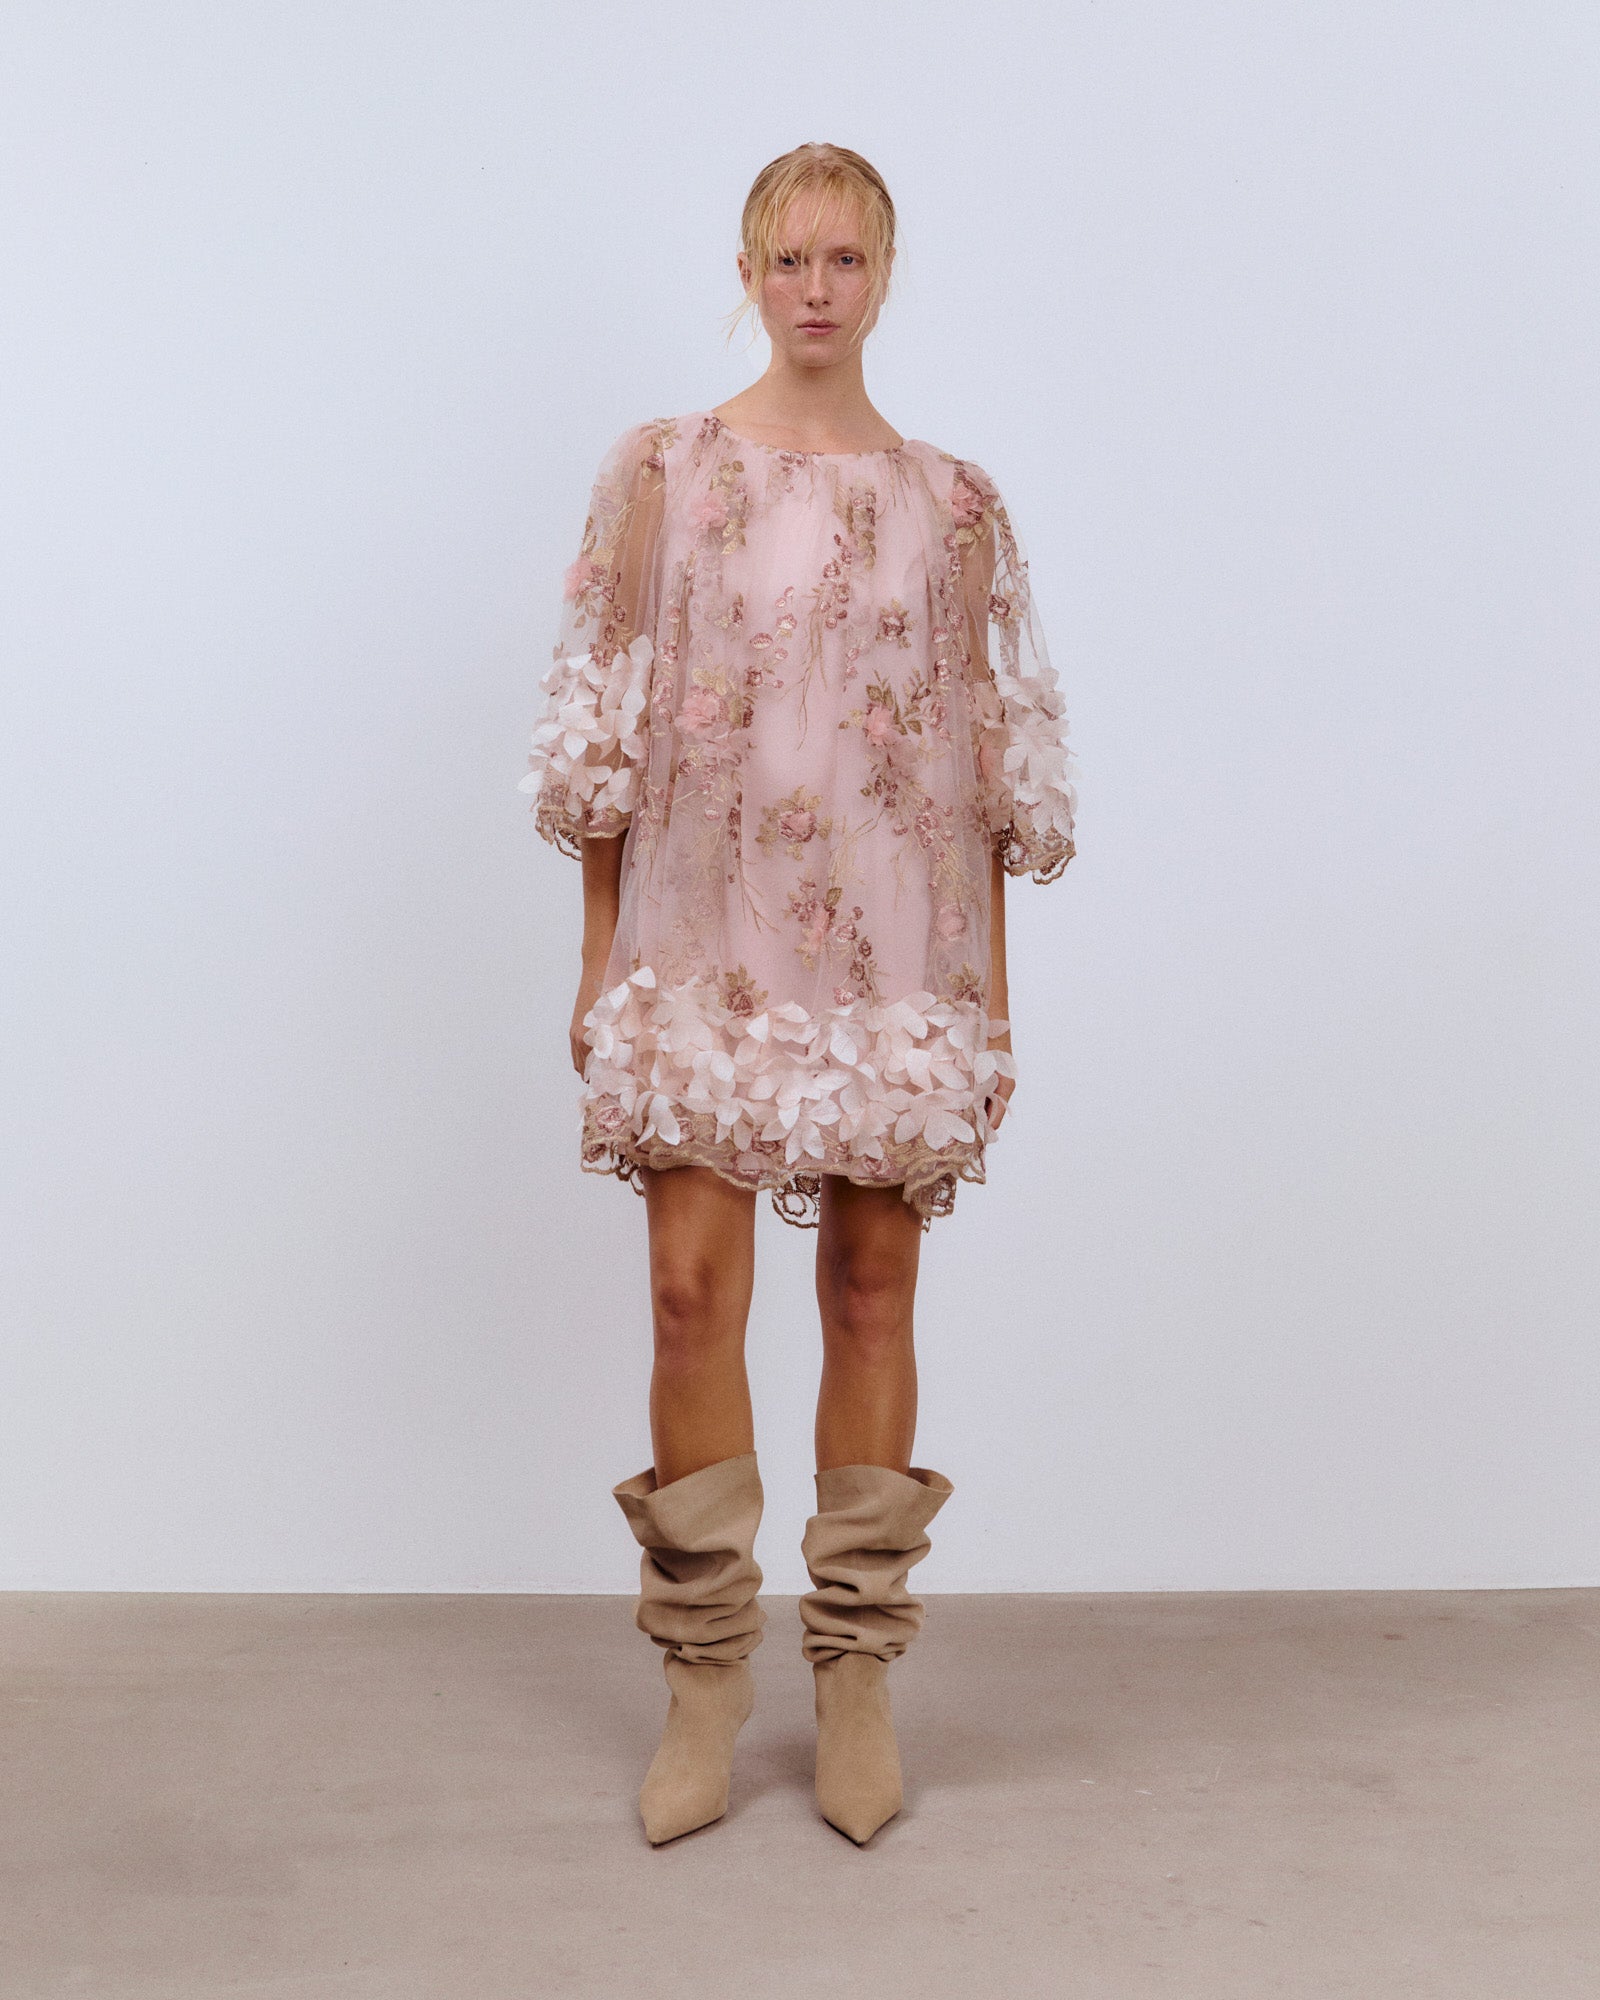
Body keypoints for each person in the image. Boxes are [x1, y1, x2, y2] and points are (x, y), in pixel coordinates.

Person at [521, 143, 1077, 1845]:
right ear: (747, 275)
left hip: (896, 960)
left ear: (886, 275)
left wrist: (988, 1001)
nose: (815, 288)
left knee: (868, 1289)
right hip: (702, 951)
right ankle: (703, 1679)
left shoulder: (954, 505)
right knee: (689, 1295)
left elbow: (984, 769)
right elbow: (606, 714)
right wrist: (601, 955)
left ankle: (854, 1676)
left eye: (844, 259)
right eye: (787, 259)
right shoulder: (663, 471)